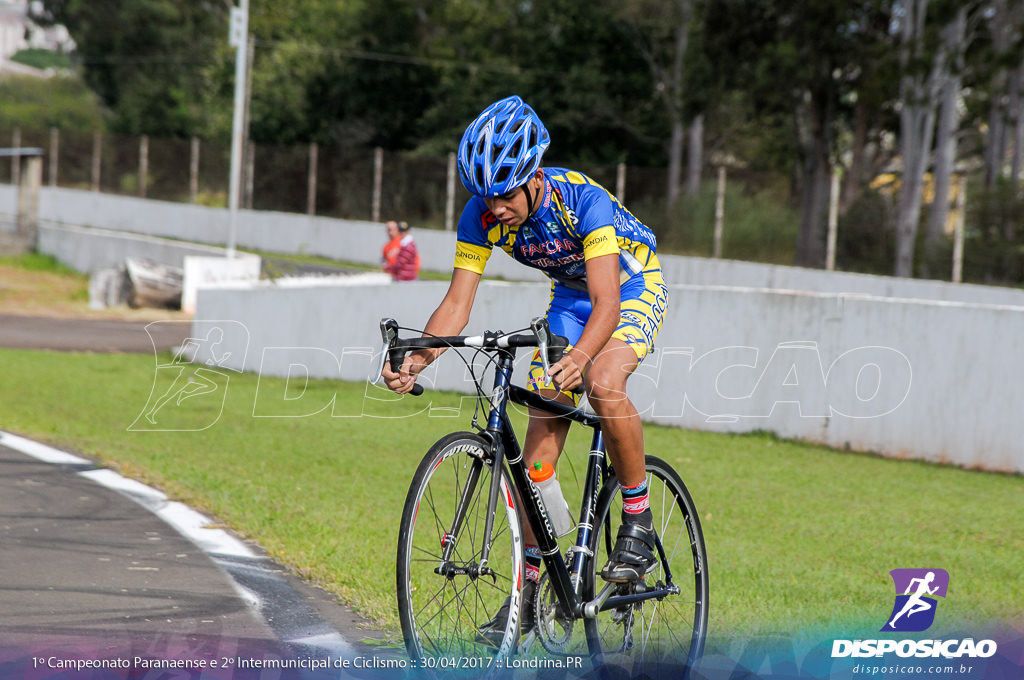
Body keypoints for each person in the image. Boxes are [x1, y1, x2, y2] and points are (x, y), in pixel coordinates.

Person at [379, 95, 668, 642]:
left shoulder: (584, 202)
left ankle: (638, 519)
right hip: (569, 301)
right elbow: (457, 304)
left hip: (629, 289)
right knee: (535, 461)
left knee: (604, 381)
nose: (496, 209)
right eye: (485, 197)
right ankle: (534, 590)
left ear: (535, 177)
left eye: (506, 194)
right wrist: (420, 354)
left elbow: (607, 303)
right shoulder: (481, 215)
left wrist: (582, 357)